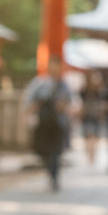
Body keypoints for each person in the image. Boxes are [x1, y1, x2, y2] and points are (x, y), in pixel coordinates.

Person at [23, 56, 73, 191]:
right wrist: (35, 107)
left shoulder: (64, 85)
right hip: (43, 122)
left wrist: (63, 106)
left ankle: (54, 176)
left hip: (58, 123)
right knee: (43, 150)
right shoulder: (39, 83)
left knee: (56, 151)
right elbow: (29, 101)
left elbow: (71, 103)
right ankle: (50, 171)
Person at [79, 71, 106, 166]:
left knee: (95, 135)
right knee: (87, 135)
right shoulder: (84, 91)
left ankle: (93, 153)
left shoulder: (99, 91)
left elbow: (102, 103)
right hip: (86, 115)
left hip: (95, 115)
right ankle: (89, 154)